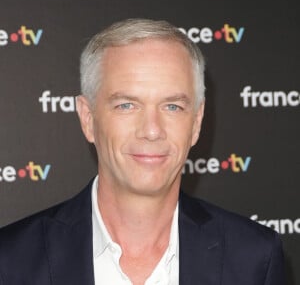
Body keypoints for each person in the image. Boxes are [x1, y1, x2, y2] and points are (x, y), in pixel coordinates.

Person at [0, 18, 284, 285]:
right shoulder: (11, 261)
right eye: (127, 105)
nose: (151, 130)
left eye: (172, 106)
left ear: (196, 123)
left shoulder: (254, 258)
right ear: (88, 119)